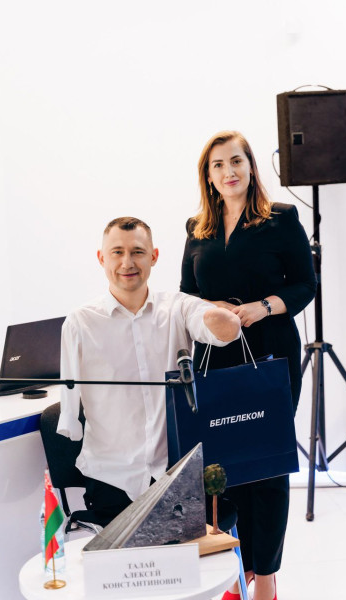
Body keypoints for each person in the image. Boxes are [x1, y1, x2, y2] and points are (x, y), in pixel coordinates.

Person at [180, 131, 317, 600]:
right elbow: (186, 294)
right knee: (225, 468)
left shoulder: (280, 218)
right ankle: (238, 569)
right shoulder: (196, 228)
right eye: (217, 165)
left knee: (268, 466)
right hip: (216, 358)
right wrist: (209, 307)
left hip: (271, 354)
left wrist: (264, 306)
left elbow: (305, 284)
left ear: (250, 165)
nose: (228, 171)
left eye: (235, 161)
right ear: (208, 176)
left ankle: (267, 577)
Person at [57, 216, 240, 526]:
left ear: (154, 256)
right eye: (117, 252)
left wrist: (219, 318)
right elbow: (69, 407)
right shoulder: (80, 322)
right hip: (111, 476)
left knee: (193, 550)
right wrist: (70, 421)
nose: (127, 262)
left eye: (138, 252)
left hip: (176, 469)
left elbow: (222, 330)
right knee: (125, 556)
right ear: (102, 258)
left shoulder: (178, 306)